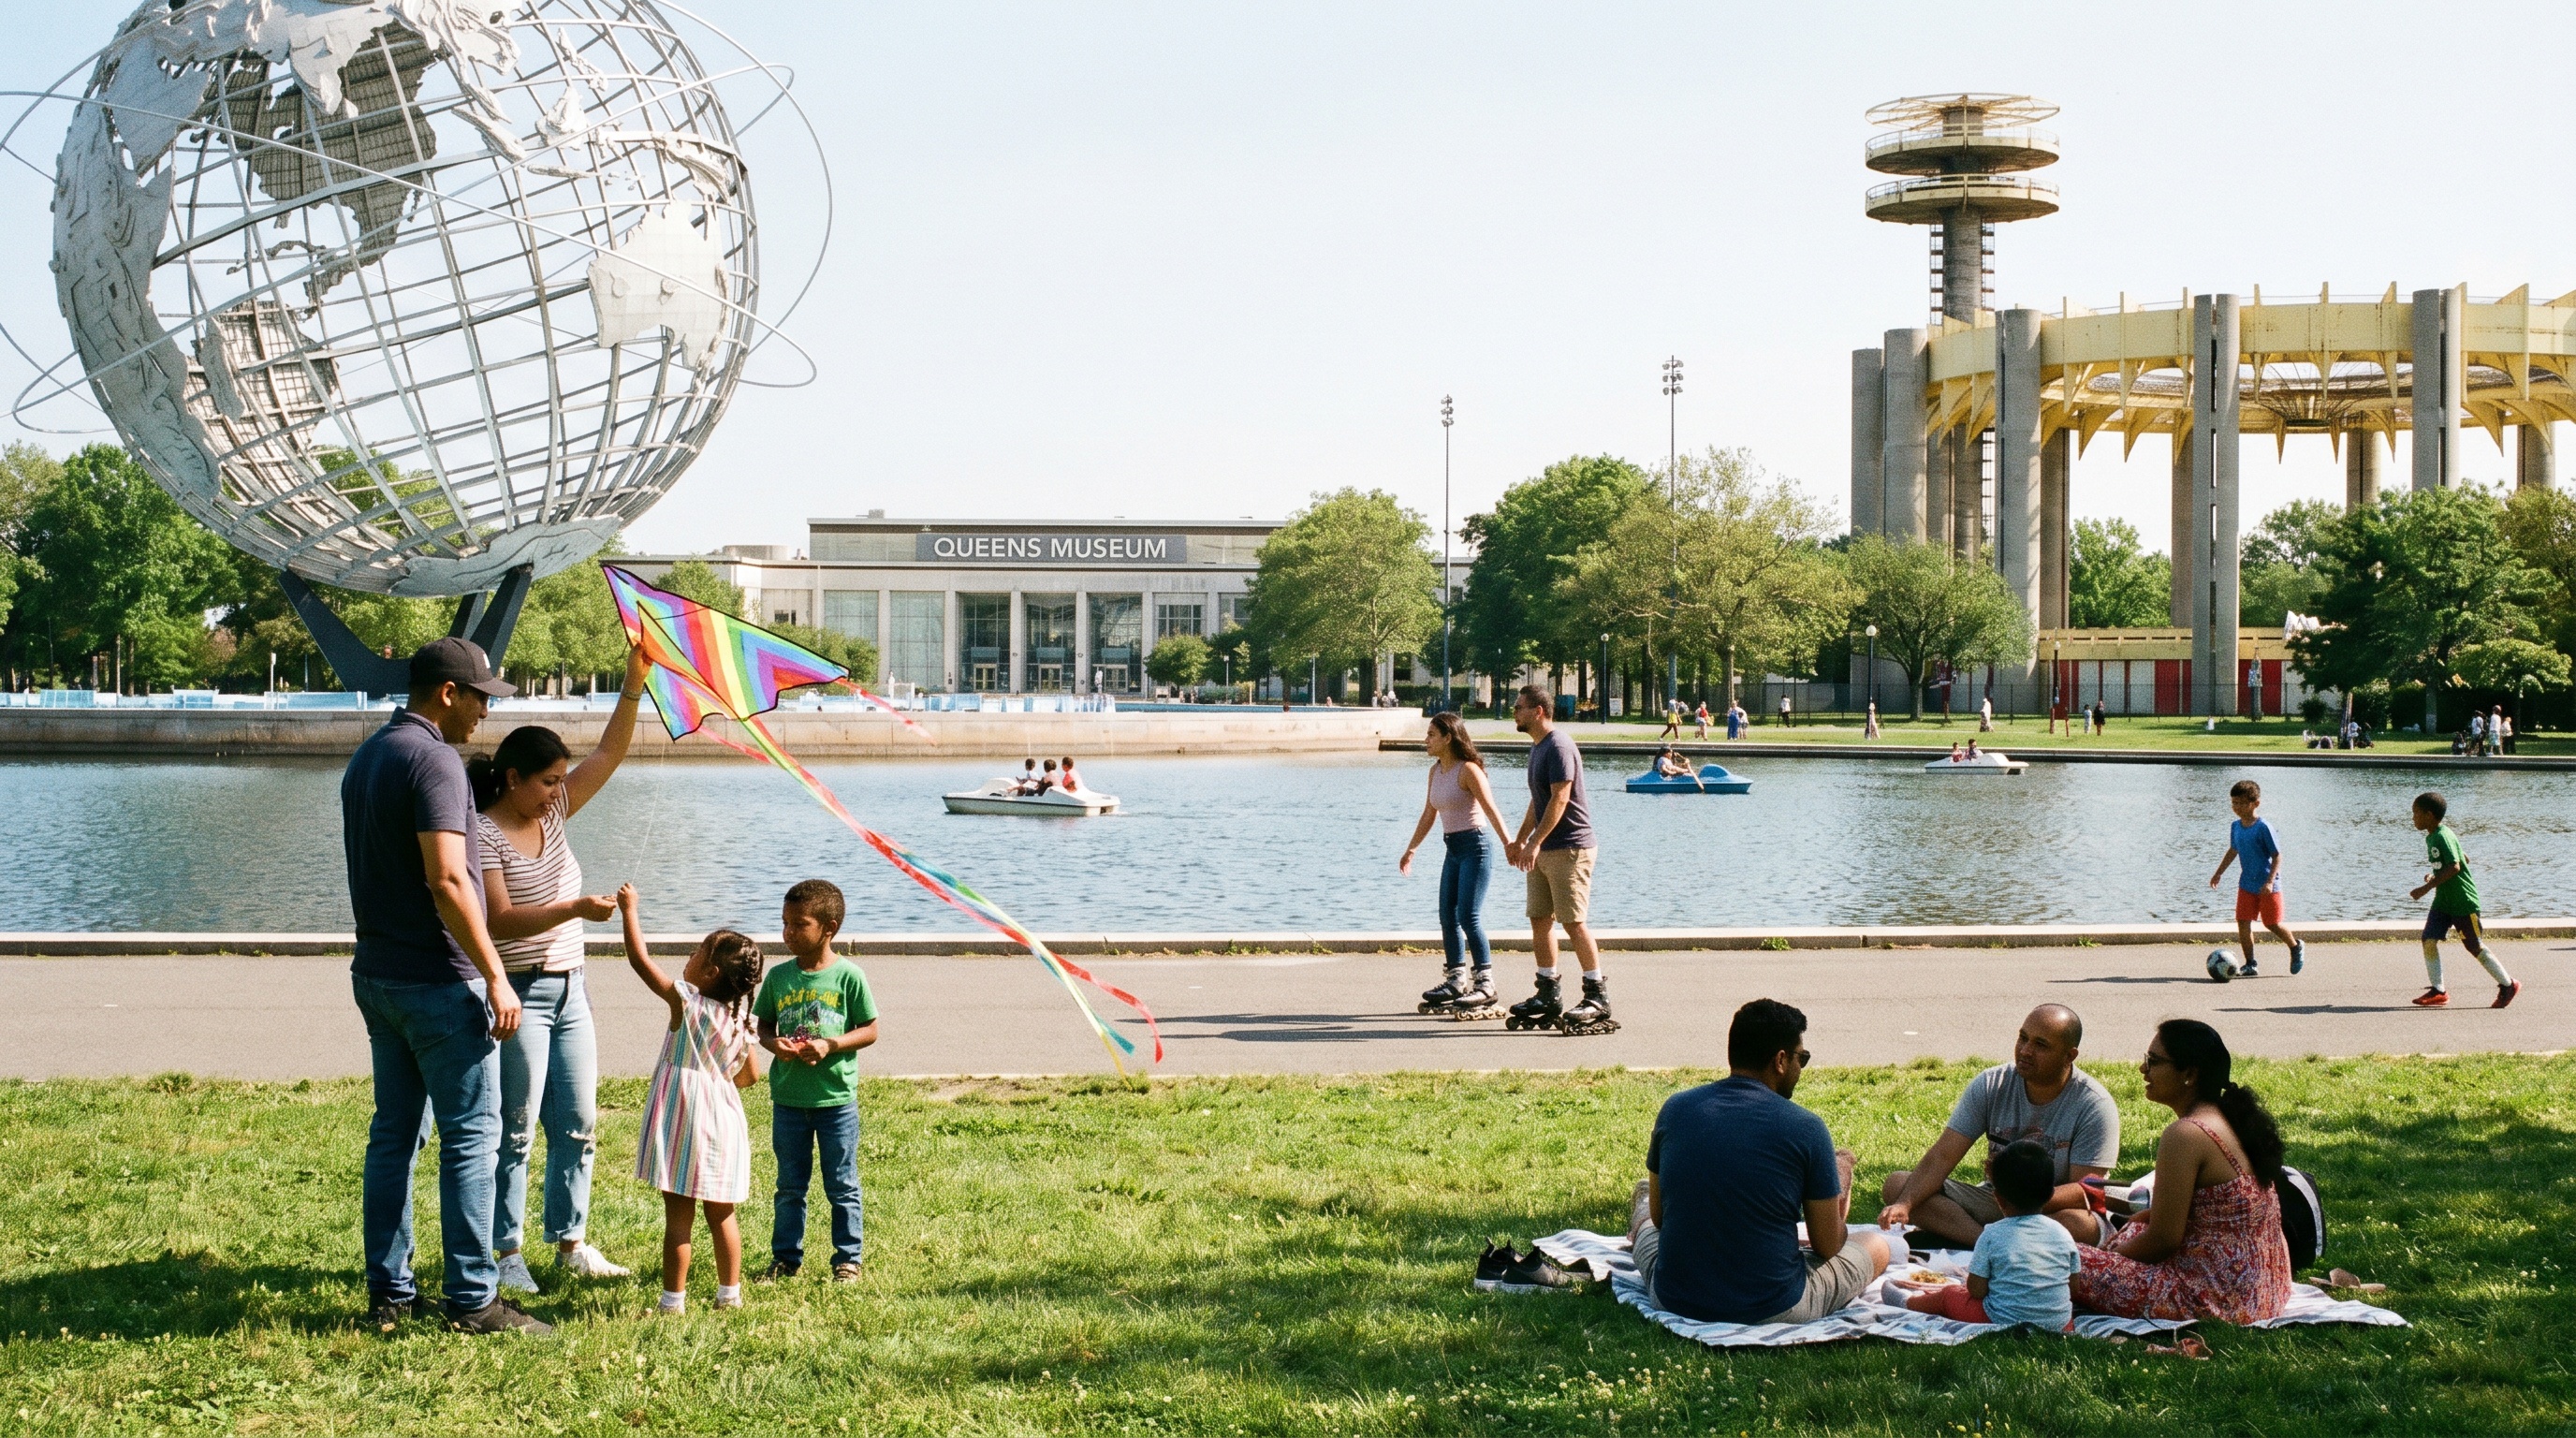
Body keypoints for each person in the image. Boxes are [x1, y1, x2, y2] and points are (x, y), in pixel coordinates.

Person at [342, 637, 547, 1335]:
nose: (488, 712)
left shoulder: (371, 754)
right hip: (437, 982)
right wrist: (496, 975)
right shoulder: (435, 760)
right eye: (483, 696)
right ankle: (472, 1299)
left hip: (378, 975)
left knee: (393, 1137)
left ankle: (390, 1295)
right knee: (470, 1139)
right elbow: (449, 877)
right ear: (448, 693)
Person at [471, 651, 652, 1294]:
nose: (559, 789)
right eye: (548, 780)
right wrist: (574, 908)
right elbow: (498, 921)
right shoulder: (482, 834)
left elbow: (609, 753)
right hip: (518, 993)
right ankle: (505, 1253)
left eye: (560, 781)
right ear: (513, 777)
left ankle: (570, 1241)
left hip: (572, 989)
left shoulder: (551, 814)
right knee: (515, 1129)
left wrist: (631, 682)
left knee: (578, 1122)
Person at [1630, 999, 1888, 1324]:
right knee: (1877, 1245)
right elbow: (1826, 1245)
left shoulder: (1675, 1109)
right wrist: (1840, 1192)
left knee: (1645, 1208)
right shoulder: (1806, 1128)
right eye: (1801, 1058)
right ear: (1780, 1060)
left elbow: (1659, 1217)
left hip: (1675, 1299)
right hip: (1774, 1306)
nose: (1800, 1068)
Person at [2070, 1020, 2292, 1324]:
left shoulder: (2186, 1133)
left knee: (2061, 1259)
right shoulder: (2227, 1118)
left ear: (2189, 1074)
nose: (2142, 1070)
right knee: (2134, 1226)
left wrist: (2110, 1263)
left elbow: (2163, 1240)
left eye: (2154, 1061)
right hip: (2263, 1290)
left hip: (2217, 1300)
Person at [616, 885, 765, 1314]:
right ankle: (729, 1296)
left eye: (700, 952)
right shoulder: (741, 1021)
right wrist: (717, 1081)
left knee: (679, 1219)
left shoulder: (687, 1001)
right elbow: (751, 1075)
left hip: (683, 1119)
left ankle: (672, 1301)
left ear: (712, 971)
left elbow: (641, 962)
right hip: (723, 1122)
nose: (692, 957)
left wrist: (630, 911)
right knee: (722, 1215)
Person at [1877, 1005, 2118, 1248]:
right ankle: (1984, 1242)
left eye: (2040, 1045)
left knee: (2079, 1225)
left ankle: (1970, 1236)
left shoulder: (2094, 1104)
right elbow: (1943, 1155)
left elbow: (2085, 1190)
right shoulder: (1992, 1083)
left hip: (2052, 1210)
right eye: (2022, 1038)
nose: (2025, 1051)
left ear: (2069, 1055)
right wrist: (1905, 1204)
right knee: (1898, 1185)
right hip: (1997, 1201)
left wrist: (2023, 1202)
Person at [756, 880, 880, 1283]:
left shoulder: (849, 976)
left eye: (799, 924)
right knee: (790, 1184)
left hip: (835, 1102)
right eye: (785, 923)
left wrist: (832, 1044)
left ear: (829, 928)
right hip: (789, 1098)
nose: (788, 932)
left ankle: (848, 1258)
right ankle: (786, 1258)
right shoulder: (778, 977)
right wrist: (776, 1045)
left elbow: (870, 1029)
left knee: (841, 1183)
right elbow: (763, 1028)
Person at [1503, 683, 1614, 1033]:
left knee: (1573, 922)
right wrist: (1519, 840)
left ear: (1538, 711)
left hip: (1570, 847)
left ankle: (1597, 994)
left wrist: (1534, 842)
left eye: (1519, 707)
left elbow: (1560, 799)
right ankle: (1548, 991)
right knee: (1539, 918)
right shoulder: (1537, 748)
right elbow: (1538, 802)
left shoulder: (1559, 745)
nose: (1515, 712)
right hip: (1545, 847)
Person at [1896, 1139, 2081, 1329]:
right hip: (2058, 1324)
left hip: (2001, 1319)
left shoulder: (1992, 1234)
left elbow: (1976, 1290)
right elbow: (2073, 1287)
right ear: (2051, 1195)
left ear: (1998, 1198)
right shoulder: (2063, 1233)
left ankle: (1908, 1303)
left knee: (1949, 1295)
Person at [1400, 712, 1513, 1013]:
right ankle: (1455, 980)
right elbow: (1429, 814)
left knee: (1468, 916)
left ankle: (1485, 984)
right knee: (1446, 916)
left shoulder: (1469, 771)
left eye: (1431, 735)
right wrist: (1412, 848)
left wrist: (1509, 844)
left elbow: (1491, 810)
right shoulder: (1435, 772)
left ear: (1448, 737)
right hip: (1453, 849)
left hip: (1475, 847)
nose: (1426, 740)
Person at [2409, 791, 2517, 1007]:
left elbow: (2457, 865)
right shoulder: (2434, 835)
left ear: (2429, 815)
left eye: (2416, 814)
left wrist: (2426, 887)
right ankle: (2438, 990)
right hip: (2444, 902)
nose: (2413, 818)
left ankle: (2508, 985)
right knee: (2429, 939)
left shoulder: (2442, 835)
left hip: (2463, 902)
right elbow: (2463, 857)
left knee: (2474, 946)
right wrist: (2435, 875)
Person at [2211, 779, 2305, 977]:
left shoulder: (2263, 827)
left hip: (2267, 885)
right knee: (2243, 921)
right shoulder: (2235, 827)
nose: (2236, 807)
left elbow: (2277, 855)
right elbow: (2233, 850)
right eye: (2234, 803)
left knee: (2271, 923)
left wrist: (2270, 881)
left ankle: (2295, 946)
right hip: (2246, 884)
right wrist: (2219, 872)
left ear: (2255, 803)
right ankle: (2250, 963)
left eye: (2241, 803)